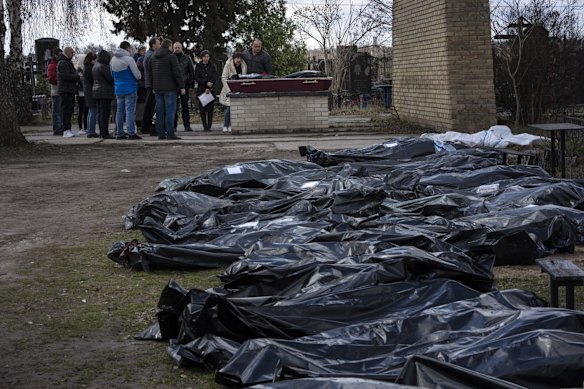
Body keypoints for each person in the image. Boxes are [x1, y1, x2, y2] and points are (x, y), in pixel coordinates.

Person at [147, 38, 184, 140]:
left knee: (159, 111)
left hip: (157, 89)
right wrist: (181, 86)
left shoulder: (153, 57)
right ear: (169, 46)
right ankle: (170, 133)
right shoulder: (171, 57)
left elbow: (150, 73)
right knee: (170, 111)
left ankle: (160, 133)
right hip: (170, 88)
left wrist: (153, 86)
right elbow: (177, 73)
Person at [111, 41, 142, 140]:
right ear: (127, 48)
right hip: (130, 87)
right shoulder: (129, 59)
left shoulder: (113, 59)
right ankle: (131, 132)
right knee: (130, 111)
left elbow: (112, 75)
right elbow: (137, 75)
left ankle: (119, 132)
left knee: (119, 111)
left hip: (118, 88)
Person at [219, 52, 247, 133]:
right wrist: (228, 90)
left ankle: (232, 125)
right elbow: (224, 78)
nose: (238, 60)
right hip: (229, 88)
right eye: (237, 58)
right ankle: (226, 125)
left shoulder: (244, 65)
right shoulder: (228, 64)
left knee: (235, 108)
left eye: (240, 58)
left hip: (239, 89)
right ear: (234, 59)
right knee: (228, 108)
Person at [57, 47, 81, 138]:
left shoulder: (67, 63)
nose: (73, 55)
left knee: (69, 110)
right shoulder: (63, 63)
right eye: (71, 53)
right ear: (67, 53)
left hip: (69, 89)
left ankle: (68, 128)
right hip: (65, 89)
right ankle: (65, 129)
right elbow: (66, 76)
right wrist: (77, 77)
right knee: (65, 111)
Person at [92, 50, 115, 139]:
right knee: (105, 113)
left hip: (96, 91)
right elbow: (110, 79)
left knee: (100, 113)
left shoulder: (95, 66)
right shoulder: (104, 67)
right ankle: (105, 132)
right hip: (105, 92)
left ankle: (102, 131)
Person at [173, 41, 195, 132]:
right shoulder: (171, 58)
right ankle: (173, 125)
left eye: (178, 47)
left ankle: (187, 125)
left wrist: (190, 84)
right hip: (173, 86)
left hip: (185, 85)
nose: (177, 49)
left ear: (181, 48)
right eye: (175, 48)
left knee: (185, 106)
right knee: (174, 107)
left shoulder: (187, 58)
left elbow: (191, 72)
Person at [194, 50, 217, 131]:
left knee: (210, 109)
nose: (206, 58)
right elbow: (197, 77)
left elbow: (214, 75)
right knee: (202, 110)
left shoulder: (212, 66)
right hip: (202, 90)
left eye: (207, 56)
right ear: (202, 57)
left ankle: (209, 125)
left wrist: (211, 83)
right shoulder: (198, 66)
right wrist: (205, 82)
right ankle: (205, 126)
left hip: (210, 89)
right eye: (204, 56)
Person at [142, 37, 161, 136]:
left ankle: (146, 127)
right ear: (153, 45)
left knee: (149, 106)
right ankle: (147, 127)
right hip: (152, 84)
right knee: (150, 106)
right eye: (158, 43)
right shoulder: (152, 56)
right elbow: (153, 71)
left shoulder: (149, 55)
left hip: (150, 83)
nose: (160, 45)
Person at [82, 51, 98, 138]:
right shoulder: (90, 68)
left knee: (90, 112)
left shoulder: (86, 67)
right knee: (93, 111)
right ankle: (91, 131)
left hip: (87, 91)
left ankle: (89, 130)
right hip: (91, 91)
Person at [47, 48, 63, 135]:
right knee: (57, 111)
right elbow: (50, 79)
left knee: (59, 111)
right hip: (56, 91)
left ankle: (60, 127)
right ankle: (57, 128)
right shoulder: (52, 66)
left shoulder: (57, 64)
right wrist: (59, 80)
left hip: (59, 90)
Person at [75, 54, 87, 136]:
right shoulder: (79, 70)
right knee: (82, 110)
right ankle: (81, 127)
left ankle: (85, 127)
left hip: (83, 92)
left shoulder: (83, 69)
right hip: (81, 93)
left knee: (85, 111)